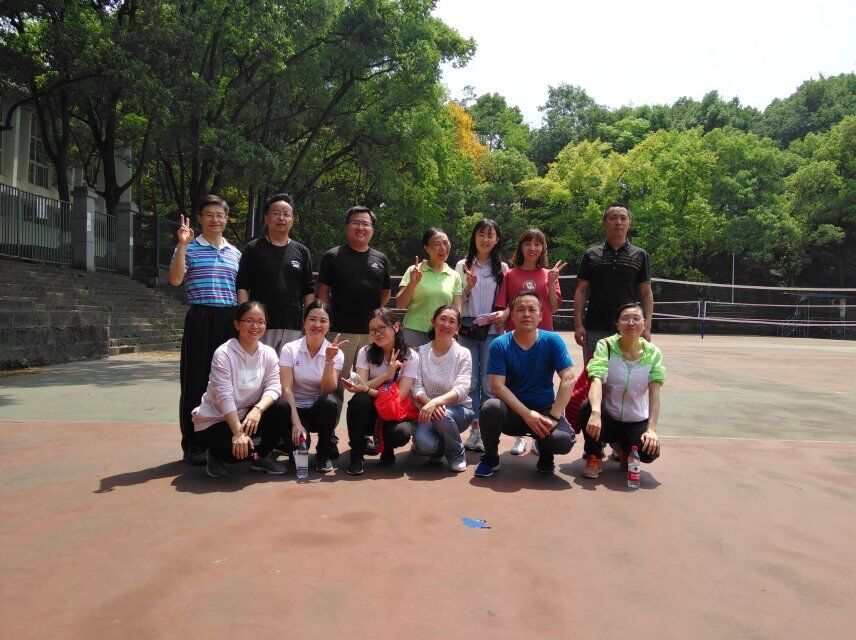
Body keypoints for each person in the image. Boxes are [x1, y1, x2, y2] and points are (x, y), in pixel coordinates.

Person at [169, 194, 242, 465]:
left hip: (230, 320)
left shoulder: (235, 253)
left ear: (226, 219)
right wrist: (182, 245)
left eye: (219, 215)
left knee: (229, 382)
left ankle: (227, 439)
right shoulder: (188, 248)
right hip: (200, 318)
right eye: (209, 215)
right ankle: (194, 444)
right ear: (199, 218)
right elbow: (175, 280)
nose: (215, 220)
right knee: (195, 382)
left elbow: (240, 290)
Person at [474, 291, 577, 477]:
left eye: (532, 309)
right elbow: (497, 386)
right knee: (490, 408)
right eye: (520, 309)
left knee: (562, 441)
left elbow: (569, 377)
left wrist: (553, 418)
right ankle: (490, 457)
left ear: (541, 315)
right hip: (512, 412)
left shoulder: (552, 341)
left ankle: (546, 454)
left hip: (544, 410)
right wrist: (527, 414)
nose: (526, 314)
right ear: (512, 315)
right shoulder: (500, 344)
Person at [192, 301, 290, 478]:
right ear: (237, 324)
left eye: (260, 321)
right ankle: (215, 454)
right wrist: (238, 433)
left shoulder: (268, 353)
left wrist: (258, 410)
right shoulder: (224, 353)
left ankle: (260, 457)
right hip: (217, 419)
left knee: (281, 407)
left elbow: (275, 386)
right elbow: (224, 396)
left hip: (247, 415)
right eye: (249, 321)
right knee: (238, 453)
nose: (255, 326)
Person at [494, 227, 566, 456]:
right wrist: (501, 332)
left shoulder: (549, 274)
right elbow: (505, 307)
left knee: (543, 383)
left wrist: (552, 282)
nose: (532, 248)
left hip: (543, 339)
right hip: (515, 339)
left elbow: (553, 307)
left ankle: (540, 433)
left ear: (543, 248)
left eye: (537, 244)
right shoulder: (510, 274)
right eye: (527, 243)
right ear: (521, 247)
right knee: (515, 383)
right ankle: (519, 437)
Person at [579, 302, 664, 479]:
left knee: (649, 452)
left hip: (635, 419)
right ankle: (594, 456)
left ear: (645, 324)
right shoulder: (606, 346)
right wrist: (595, 413)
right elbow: (596, 379)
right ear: (617, 325)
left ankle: (623, 448)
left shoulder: (654, 353)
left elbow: (654, 394)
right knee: (587, 407)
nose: (631, 323)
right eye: (625, 319)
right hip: (609, 417)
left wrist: (651, 430)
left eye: (636, 318)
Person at [316, 205, 392, 381]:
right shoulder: (333, 255)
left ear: (372, 229)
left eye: (366, 224)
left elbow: (386, 291)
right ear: (346, 226)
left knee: (367, 383)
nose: (361, 227)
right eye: (355, 222)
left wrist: (374, 314)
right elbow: (323, 291)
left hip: (372, 333)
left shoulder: (380, 258)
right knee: (335, 381)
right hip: (340, 331)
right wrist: (331, 316)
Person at [341, 309, 420, 475]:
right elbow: (361, 385)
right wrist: (386, 375)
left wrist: (368, 389)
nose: (377, 334)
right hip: (369, 410)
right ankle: (356, 454)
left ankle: (387, 447)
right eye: (373, 330)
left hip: (392, 410)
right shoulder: (365, 352)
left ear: (396, 326)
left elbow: (400, 395)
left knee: (401, 433)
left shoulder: (410, 356)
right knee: (359, 400)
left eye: (382, 328)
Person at [574, 203, 653, 363]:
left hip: (629, 327)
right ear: (604, 223)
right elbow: (581, 291)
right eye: (613, 218)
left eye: (623, 218)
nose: (618, 222)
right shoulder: (591, 255)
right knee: (595, 373)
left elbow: (646, 292)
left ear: (630, 223)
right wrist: (578, 324)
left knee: (627, 374)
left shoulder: (640, 255)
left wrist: (647, 326)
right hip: (595, 327)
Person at [236, 193, 315, 354]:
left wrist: (310, 319)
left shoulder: (302, 251)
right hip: (259, 324)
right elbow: (242, 286)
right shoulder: (253, 248)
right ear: (267, 219)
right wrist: (245, 317)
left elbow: (308, 289)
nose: (281, 218)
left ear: (292, 220)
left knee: (289, 368)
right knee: (259, 366)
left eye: (286, 214)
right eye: (276, 213)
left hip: (292, 324)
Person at [454, 219, 507, 453]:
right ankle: (474, 429)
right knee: (471, 382)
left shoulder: (502, 268)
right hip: (468, 330)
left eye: (490, 235)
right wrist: (468, 286)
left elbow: (507, 300)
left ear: (497, 239)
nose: (485, 240)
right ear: (474, 237)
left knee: (488, 383)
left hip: (492, 332)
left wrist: (503, 317)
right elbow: (457, 299)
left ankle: (486, 429)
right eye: (481, 234)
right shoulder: (462, 265)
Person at [278, 301, 345, 473]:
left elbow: (328, 389)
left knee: (329, 401)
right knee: (299, 451)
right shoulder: (289, 349)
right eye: (312, 319)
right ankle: (297, 444)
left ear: (329, 325)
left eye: (323, 321)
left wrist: (329, 360)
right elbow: (286, 388)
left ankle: (323, 452)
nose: (317, 325)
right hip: (296, 409)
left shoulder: (336, 352)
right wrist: (296, 422)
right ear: (304, 322)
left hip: (319, 409)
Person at [411, 306, 474, 472]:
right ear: (433, 321)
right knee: (424, 446)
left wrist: (435, 403)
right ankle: (439, 449)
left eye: (452, 321)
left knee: (443, 415)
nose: (446, 325)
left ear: (458, 328)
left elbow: (462, 389)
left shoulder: (463, 353)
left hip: (459, 411)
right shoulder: (419, 353)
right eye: (442, 319)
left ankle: (456, 454)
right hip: (428, 411)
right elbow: (416, 387)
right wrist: (430, 404)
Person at [395, 227, 462, 347]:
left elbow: (457, 309)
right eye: (437, 244)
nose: (443, 248)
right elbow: (400, 304)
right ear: (427, 249)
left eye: (445, 243)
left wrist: (454, 332)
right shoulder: (414, 270)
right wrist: (413, 283)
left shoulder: (454, 276)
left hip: (442, 332)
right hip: (414, 331)